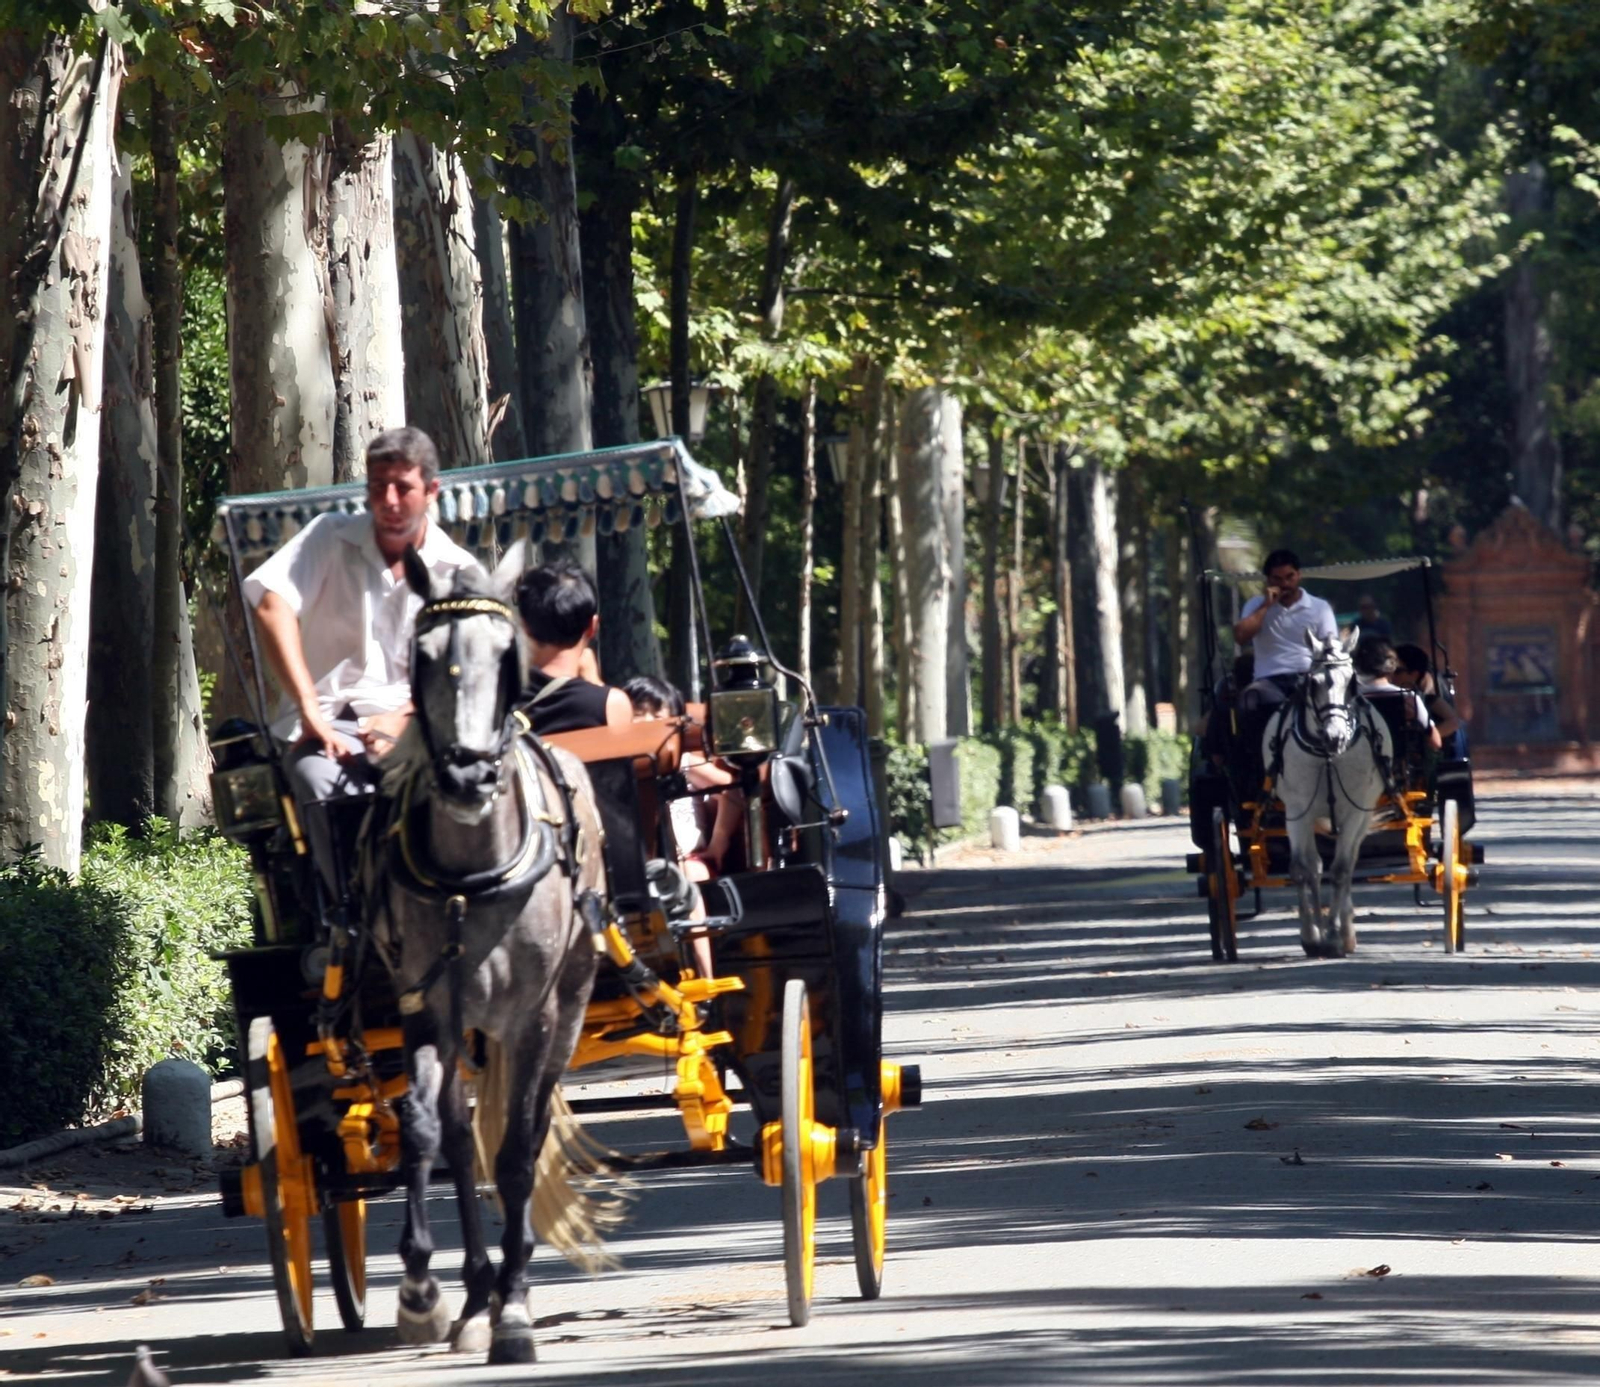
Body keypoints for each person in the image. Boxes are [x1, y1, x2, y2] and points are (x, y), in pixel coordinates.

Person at [242, 426, 478, 898]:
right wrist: (310, 712)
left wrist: (405, 718)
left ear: (431, 491)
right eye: (377, 488)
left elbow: (468, 673)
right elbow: (272, 606)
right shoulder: (329, 537)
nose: (389, 501)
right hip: (329, 729)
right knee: (319, 784)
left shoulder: (460, 571)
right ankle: (350, 920)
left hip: (422, 732)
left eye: (403, 488)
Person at [625, 675, 737, 980]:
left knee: (690, 879)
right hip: (635, 864)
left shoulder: (684, 761)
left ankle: (705, 975)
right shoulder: (618, 764)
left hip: (684, 858)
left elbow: (731, 788)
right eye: (638, 712)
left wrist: (719, 840)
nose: (647, 721)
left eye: (657, 715)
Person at [514, 561, 633, 735]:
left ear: (524, 627)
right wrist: (597, 685)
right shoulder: (611, 705)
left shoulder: (499, 701)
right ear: (592, 627)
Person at [1232, 549, 1339, 710]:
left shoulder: (1320, 607)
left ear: (1299, 575)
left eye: (1290, 577)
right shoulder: (1255, 605)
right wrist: (1266, 606)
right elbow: (1240, 637)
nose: (1285, 584)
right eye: (1278, 579)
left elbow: (1331, 647)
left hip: (1309, 678)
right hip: (1269, 681)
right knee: (1249, 698)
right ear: (1268, 580)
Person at [1354, 635, 1441, 751]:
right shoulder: (1408, 697)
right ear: (1391, 665)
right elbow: (1435, 742)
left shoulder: (1352, 698)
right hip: (1399, 765)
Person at [1392, 642, 1465, 754]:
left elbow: (1453, 721)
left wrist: (1426, 740)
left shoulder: (1427, 698)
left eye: (1397, 671)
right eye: (1388, 670)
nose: (1391, 676)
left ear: (1414, 674)